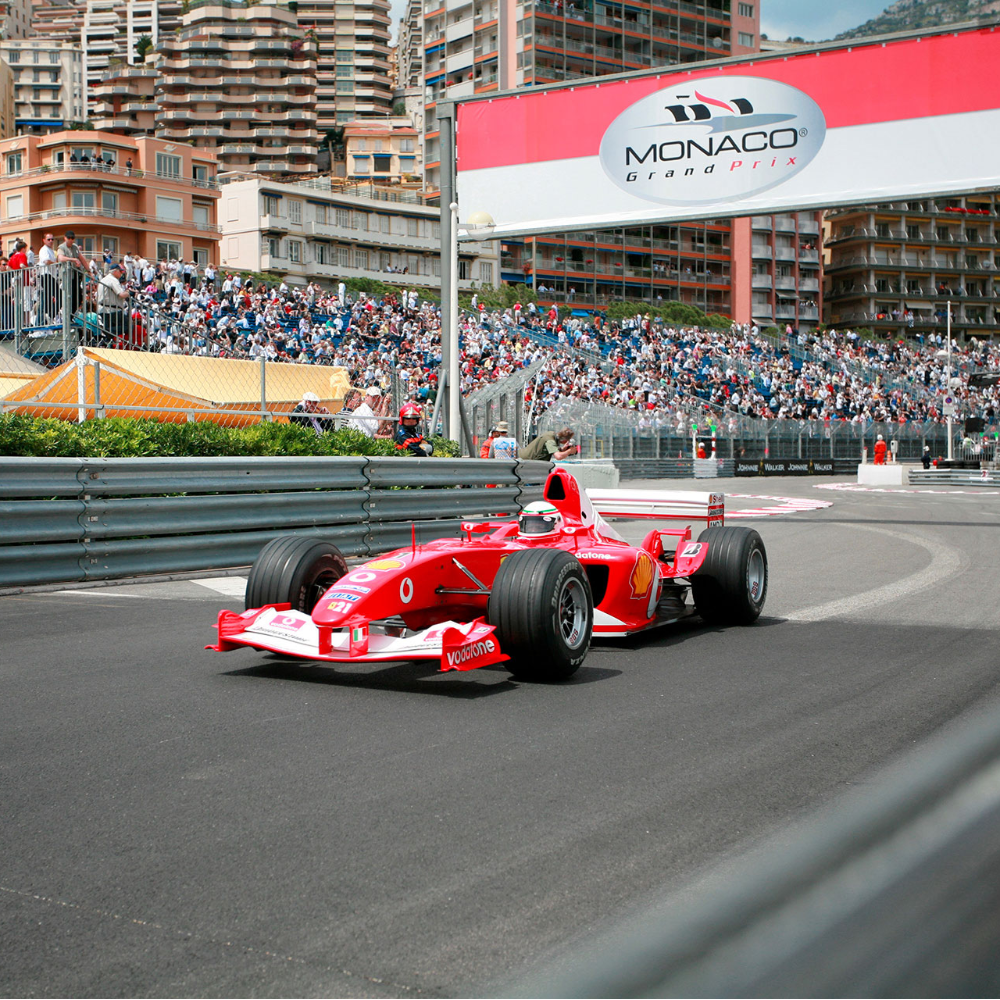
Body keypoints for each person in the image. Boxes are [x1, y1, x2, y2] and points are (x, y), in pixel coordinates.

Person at [97, 262, 129, 344]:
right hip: (112, 309)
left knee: (109, 336)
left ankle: (106, 337)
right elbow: (121, 294)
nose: (121, 274)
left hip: (103, 309)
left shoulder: (103, 279)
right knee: (128, 326)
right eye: (120, 271)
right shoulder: (113, 280)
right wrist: (129, 293)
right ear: (115, 271)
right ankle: (106, 332)